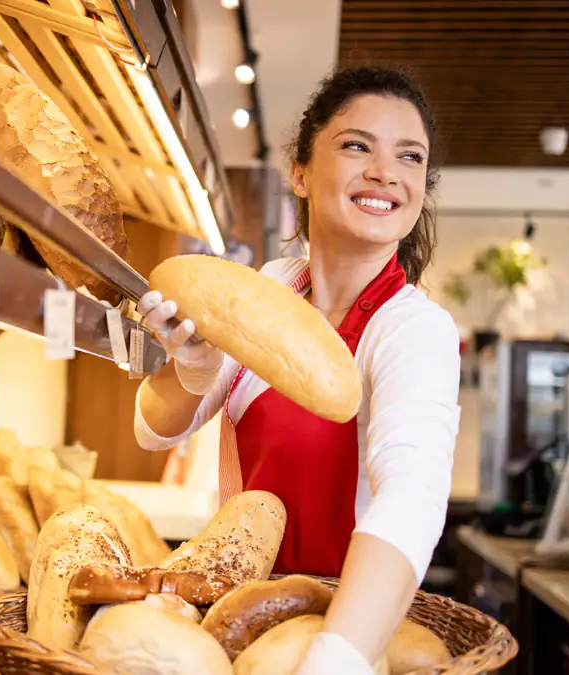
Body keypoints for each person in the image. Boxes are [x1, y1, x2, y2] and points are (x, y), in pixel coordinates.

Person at [133, 67, 460, 674]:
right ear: (301, 173)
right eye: (357, 145)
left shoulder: (414, 330)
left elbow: (412, 497)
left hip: (347, 632)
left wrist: (337, 657)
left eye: (409, 157)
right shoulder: (268, 293)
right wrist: (194, 369)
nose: (386, 173)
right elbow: (155, 429)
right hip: (236, 624)